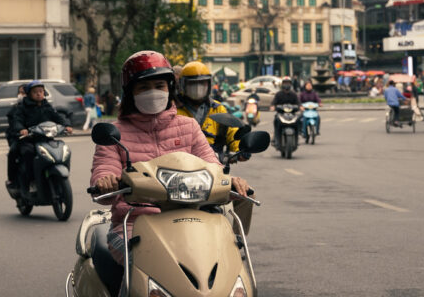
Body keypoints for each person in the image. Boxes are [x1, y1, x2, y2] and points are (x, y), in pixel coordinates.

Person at [91, 50, 252, 265]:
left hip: (193, 218)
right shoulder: (114, 133)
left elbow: (211, 165)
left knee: (228, 258)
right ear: (131, 93)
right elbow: (104, 169)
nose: (153, 92)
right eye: (144, 87)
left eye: (159, 86)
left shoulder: (189, 126)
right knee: (143, 264)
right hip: (135, 223)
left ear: (170, 89)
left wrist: (229, 181)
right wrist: (106, 181)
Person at [6, 81, 73, 193]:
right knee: (27, 152)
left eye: (41, 91)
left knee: (61, 149)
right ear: (29, 94)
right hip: (28, 140)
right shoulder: (22, 107)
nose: (38, 94)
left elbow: (57, 117)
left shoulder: (47, 106)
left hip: (45, 139)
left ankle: (57, 176)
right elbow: (17, 120)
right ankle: (30, 181)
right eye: (35, 92)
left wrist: (67, 125)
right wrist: (21, 129)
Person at [175, 61, 245, 158]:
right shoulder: (173, 109)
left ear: (208, 84)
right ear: (183, 85)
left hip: (212, 165)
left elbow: (232, 132)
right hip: (179, 165)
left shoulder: (218, 108)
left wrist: (241, 148)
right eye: (192, 83)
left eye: (202, 83)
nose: (197, 87)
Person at [271, 78, 302, 144]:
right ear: (282, 84)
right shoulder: (278, 94)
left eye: (288, 83)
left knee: (298, 120)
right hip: (281, 113)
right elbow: (274, 102)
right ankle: (275, 137)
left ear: (290, 84)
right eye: (285, 83)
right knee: (276, 120)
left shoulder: (293, 94)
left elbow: (298, 102)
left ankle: (297, 136)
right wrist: (273, 106)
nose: (286, 85)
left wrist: (300, 107)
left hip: (292, 114)